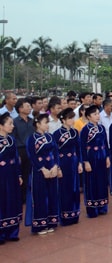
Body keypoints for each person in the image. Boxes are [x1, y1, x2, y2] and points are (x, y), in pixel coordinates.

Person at [25, 113, 60, 235]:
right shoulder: (31, 138)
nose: (47, 125)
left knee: (52, 195)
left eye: (48, 122)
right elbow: (32, 156)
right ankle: (40, 224)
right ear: (38, 124)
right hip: (39, 172)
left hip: (52, 170)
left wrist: (56, 166)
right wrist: (42, 169)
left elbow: (56, 152)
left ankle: (51, 221)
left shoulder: (50, 137)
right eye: (45, 122)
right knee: (40, 197)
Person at [52, 108, 82, 226]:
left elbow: (78, 148)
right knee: (64, 188)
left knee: (74, 188)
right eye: (70, 118)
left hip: (73, 162)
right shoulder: (56, 134)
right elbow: (54, 152)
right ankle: (64, 215)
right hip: (63, 162)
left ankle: (75, 213)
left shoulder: (75, 132)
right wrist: (57, 166)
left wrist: (80, 162)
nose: (72, 120)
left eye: (73, 117)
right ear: (63, 120)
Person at [81, 105, 110, 218]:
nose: (98, 116)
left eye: (98, 113)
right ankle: (92, 209)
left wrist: (107, 157)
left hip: (102, 156)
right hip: (92, 157)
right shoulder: (85, 130)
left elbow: (105, 144)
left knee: (102, 181)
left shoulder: (101, 128)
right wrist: (85, 161)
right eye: (95, 114)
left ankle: (102, 206)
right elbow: (82, 147)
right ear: (88, 116)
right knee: (92, 182)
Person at [0, 112, 23, 244]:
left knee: (12, 201)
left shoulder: (11, 140)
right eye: (9, 124)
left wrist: (19, 174)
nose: (12, 126)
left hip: (12, 174)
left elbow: (16, 158)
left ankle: (12, 231)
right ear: (1, 126)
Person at [13, 98, 34, 203]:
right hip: (20, 150)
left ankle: (29, 195)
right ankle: (21, 198)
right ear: (20, 109)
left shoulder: (33, 121)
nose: (30, 108)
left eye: (30, 106)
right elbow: (13, 138)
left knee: (30, 173)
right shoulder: (14, 122)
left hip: (32, 149)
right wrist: (17, 154)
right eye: (27, 106)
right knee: (22, 174)